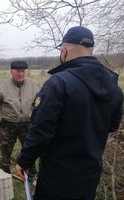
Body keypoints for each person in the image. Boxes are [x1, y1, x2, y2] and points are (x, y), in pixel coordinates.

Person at [16, 26, 123, 200]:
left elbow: (41, 130)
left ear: (64, 51)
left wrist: (24, 160)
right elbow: (111, 125)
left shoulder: (58, 83)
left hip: (57, 178)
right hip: (90, 176)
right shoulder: (114, 88)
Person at [0, 60, 40, 174]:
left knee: (30, 150)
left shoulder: (34, 85)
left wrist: (37, 115)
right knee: (5, 152)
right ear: (11, 72)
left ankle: (31, 174)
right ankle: (5, 175)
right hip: (8, 125)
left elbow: (40, 102)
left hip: (27, 124)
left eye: (23, 71)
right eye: (18, 71)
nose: (20, 74)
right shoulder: (1, 86)